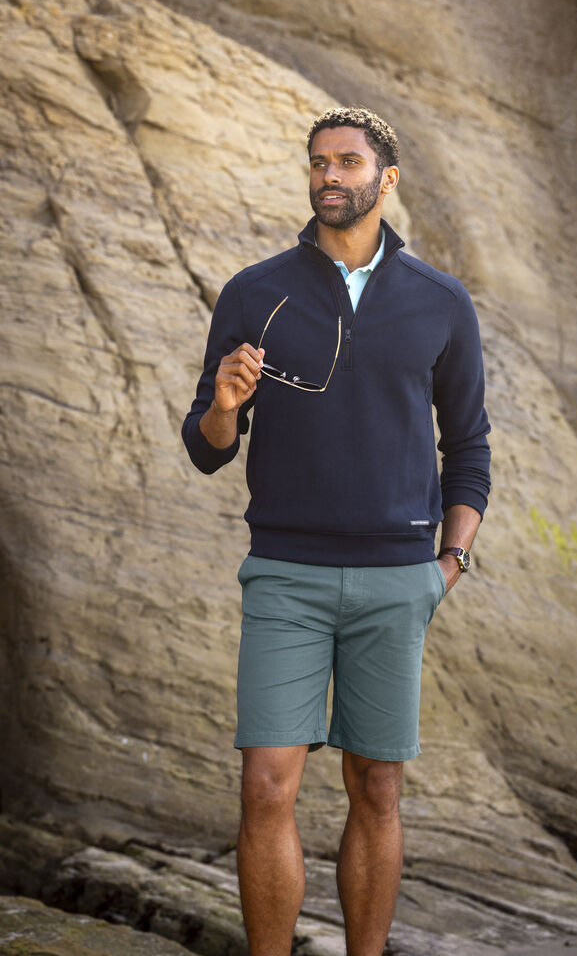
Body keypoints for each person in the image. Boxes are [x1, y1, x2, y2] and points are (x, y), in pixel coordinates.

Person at [182, 106, 491, 956]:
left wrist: (449, 562)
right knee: (264, 787)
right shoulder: (255, 292)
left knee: (378, 788)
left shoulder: (440, 302)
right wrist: (223, 405)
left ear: (385, 179)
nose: (329, 175)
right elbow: (206, 449)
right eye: (318, 161)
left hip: (397, 581)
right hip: (285, 574)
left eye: (348, 162)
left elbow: (468, 446)